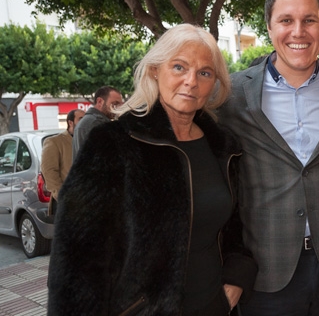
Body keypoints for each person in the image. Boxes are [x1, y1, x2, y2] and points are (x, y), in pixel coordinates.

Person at [48, 24, 258, 315]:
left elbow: (234, 227)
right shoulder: (113, 144)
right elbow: (76, 257)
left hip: (215, 305)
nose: (191, 81)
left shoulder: (223, 147)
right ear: (155, 70)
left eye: (204, 73)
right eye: (179, 67)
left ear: (215, 83)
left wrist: (237, 277)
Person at [218, 0, 319, 316]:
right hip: (265, 273)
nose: (298, 31)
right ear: (269, 26)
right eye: (286, 20)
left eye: (310, 20)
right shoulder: (229, 95)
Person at [41, 108, 85, 216]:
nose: (85, 122)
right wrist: (64, 195)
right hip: (68, 202)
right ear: (70, 122)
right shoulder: (55, 142)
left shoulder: (88, 140)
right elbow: (49, 171)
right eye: (81, 119)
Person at [72, 85, 123, 160]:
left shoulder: (89, 120)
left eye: (120, 105)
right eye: (115, 103)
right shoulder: (96, 123)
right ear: (99, 101)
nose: (118, 108)